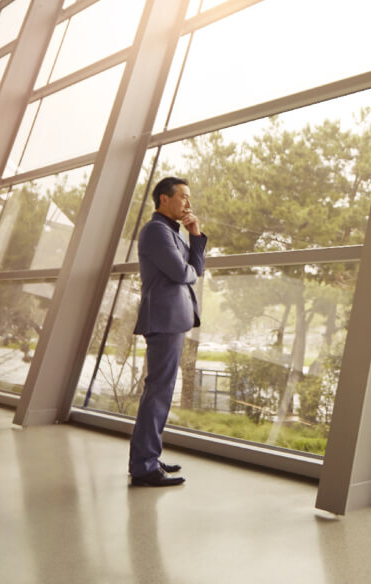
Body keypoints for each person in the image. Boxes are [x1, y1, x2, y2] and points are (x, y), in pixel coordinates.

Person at [129, 176, 207, 487]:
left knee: (160, 392)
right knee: (158, 393)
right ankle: (144, 466)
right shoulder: (156, 231)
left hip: (173, 321)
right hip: (163, 320)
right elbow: (183, 272)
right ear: (164, 199)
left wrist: (195, 234)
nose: (189, 203)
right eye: (183, 197)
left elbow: (195, 269)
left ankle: (148, 458)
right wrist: (189, 271)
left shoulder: (172, 233)